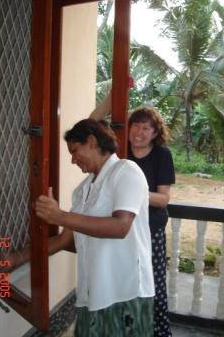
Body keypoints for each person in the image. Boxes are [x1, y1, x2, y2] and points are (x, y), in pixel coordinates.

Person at [34, 119, 155, 336]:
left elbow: (120, 227)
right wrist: (14, 259)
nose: (72, 160)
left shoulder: (126, 171)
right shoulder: (82, 190)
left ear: (91, 142)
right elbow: (64, 241)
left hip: (124, 292)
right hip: (92, 291)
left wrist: (60, 216)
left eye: (74, 151)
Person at [91, 94, 175, 337]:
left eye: (146, 127)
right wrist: (114, 94)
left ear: (155, 133)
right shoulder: (118, 149)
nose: (139, 131)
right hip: (119, 227)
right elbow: (92, 122)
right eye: (135, 125)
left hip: (150, 232)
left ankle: (156, 333)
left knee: (153, 286)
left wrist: (133, 192)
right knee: (120, 282)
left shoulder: (162, 155)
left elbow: (163, 199)